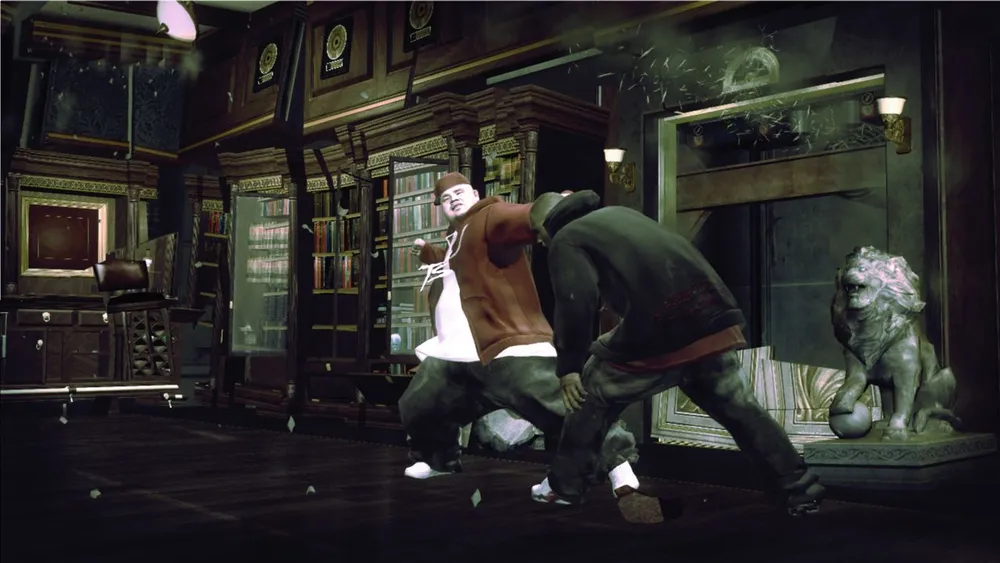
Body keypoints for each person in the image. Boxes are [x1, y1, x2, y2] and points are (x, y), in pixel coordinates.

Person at [526, 189, 825, 516]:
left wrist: (569, 366)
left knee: (591, 388)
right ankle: (799, 490)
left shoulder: (567, 239)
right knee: (741, 407)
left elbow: (575, 305)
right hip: (709, 316)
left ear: (550, 222)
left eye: (538, 232)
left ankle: (564, 487)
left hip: (663, 329)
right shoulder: (620, 215)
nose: (539, 241)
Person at [398, 172, 641, 501]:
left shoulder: (489, 216)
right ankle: (437, 458)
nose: (453, 200)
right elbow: (455, 258)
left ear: (475, 194)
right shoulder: (457, 235)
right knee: (420, 403)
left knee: (560, 406)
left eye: (459, 193)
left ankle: (618, 464)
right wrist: (429, 252)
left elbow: (524, 215)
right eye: (445, 198)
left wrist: (556, 206)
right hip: (455, 353)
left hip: (506, 347)